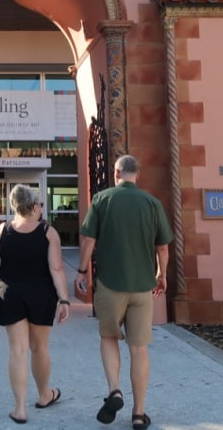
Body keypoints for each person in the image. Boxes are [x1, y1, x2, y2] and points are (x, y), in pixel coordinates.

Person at [75, 155, 172, 430]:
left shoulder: (102, 200)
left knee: (108, 337)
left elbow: (89, 240)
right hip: (142, 287)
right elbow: (163, 248)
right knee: (139, 348)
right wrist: (161, 275)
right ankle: (139, 414)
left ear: (116, 173)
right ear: (137, 175)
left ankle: (115, 390)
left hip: (109, 284)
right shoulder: (152, 203)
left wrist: (82, 272)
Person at [0, 184, 71, 424]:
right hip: (42, 293)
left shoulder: (3, 230)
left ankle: (20, 409)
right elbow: (56, 268)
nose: (41, 208)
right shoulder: (48, 232)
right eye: (40, 204)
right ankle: (44, 395)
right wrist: (64, 299)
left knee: (17, 350)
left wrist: (7, 275)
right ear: (33, 207)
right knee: (40, 348)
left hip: (10, 293)